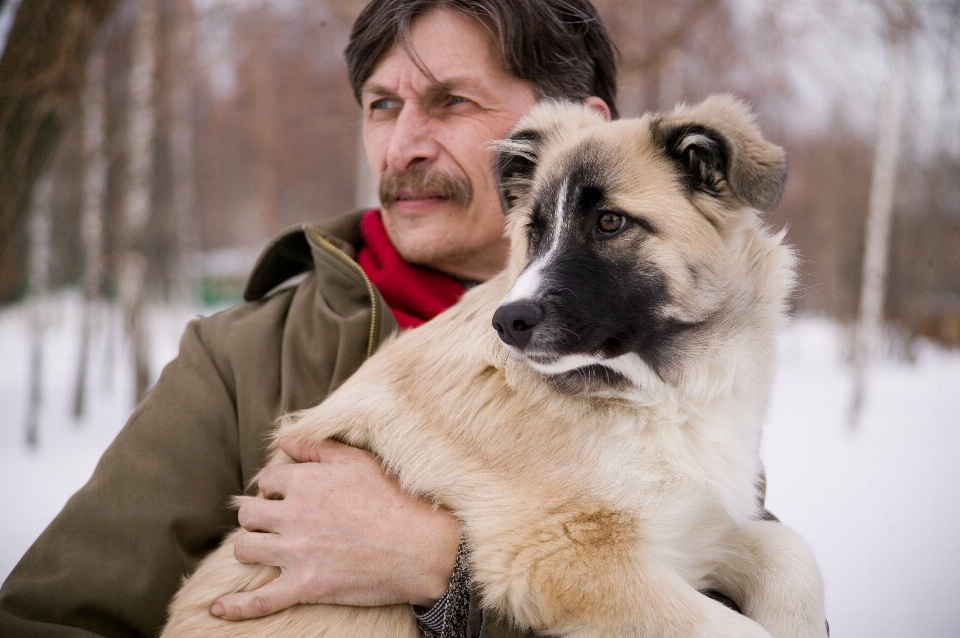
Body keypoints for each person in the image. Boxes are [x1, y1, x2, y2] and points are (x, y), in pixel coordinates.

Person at [0, 1, 619, 637]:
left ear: (581, 130)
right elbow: (48, 619)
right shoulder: (242, 359)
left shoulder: (690, 366)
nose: (401, 147)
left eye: (452, 101)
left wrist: (447, 568)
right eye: (382, 105)